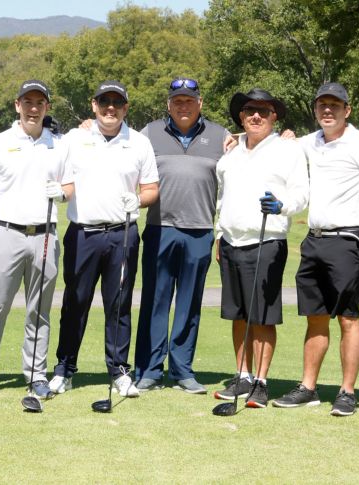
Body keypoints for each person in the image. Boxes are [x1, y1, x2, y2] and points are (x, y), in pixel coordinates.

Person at [272, 82, 359, 416]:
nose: (327, 110)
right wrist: (248, 140)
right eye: (322, 105)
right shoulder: (311, 143)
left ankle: (347, 392)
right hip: (314, 241)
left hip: (349, 240)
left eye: (335, 105)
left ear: (347, 110)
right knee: (315, 319)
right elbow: (277, 147)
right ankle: (308, 387)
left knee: (348, 318)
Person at [48, 80, 159, 398]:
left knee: (119, 305)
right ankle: (64, 368)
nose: (110, 107)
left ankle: (119, 370)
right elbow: (60, 174)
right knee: (74, 303)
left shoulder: (138, 143)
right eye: (104, 101)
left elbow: (151, 188)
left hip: (122, 236)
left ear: (125, 108)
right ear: (93, 105)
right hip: (83, 234)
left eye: (117, 102)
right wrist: (60, 192)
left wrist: (138, 200)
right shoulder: (75, 139)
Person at [0, 80, 73, 399]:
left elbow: (70, 185)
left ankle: (36, 374)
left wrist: (64, 194)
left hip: (45, 236)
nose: (33, 108)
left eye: (40, 102)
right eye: (28, 102)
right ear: (17, 105)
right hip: (7, 234)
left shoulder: (60, 144)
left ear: (47, 108)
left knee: (39, 311)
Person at [212, 88, 309, 409]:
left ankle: (262, 383)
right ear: (241, 116)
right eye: (250, 110)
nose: (256, 115)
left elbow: (301, 196)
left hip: (266, 241)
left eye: (263, 112)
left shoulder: (288, 150)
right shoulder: (230, 152)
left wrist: (281, 206)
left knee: (262, 316)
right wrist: (217, 235)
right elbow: (222, 199)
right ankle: (243, 375)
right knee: (237, 314)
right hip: (230, 242)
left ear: (274, 117)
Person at [133, 77, 229, 394]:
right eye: (177, 101)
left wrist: (285, 137)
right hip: (161, 229)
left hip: (200, 232)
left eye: (189, 100)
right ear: (169, 104)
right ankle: (149, 369)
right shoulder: (148, 134)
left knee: (189, 304)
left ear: (200, 103)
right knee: (155, 301)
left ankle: (182, 369)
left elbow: (252, 152)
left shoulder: (221, 136)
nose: (183, 105)